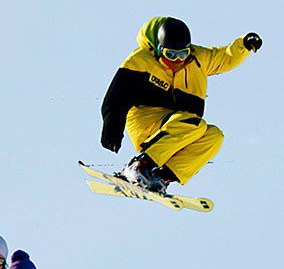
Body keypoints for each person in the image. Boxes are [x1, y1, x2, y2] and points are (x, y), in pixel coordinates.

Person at [99, 16, 262, 194]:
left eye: (182, 54)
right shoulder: (141, 61)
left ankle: (161, 177)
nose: (177, 61)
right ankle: (139, 166)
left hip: (180, 128)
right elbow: (116, 96)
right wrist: (113, 129)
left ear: (189, 50)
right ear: (159, 49)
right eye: (170, 54)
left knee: (214, 136)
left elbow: (225, 57)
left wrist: (244, 45)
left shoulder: (198, 59)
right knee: (194, 124)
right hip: (146, 123)